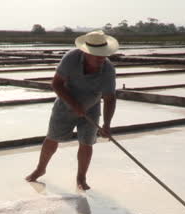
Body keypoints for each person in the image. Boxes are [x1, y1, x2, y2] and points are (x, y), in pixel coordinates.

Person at [25, 30, 119, 191]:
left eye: (103, 55)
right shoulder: (71, 59)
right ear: (86, 52)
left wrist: (107, 125)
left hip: (91, 108)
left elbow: (110, 98)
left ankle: (81, 178)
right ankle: (40, 168)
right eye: (97, 55)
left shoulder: (108, 70)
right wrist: (74, 104)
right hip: (65, 104)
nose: (101, 59)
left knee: (86, 143)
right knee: (52, 138)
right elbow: (56, 84)